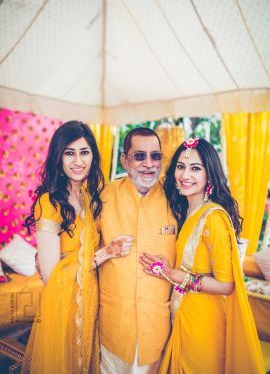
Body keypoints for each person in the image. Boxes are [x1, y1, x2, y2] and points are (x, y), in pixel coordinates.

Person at [140, 137, 264, 374]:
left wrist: (174, 275)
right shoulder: (186, 210)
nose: (185, 175)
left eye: (196, 168)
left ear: (210, 174)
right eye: (181, 166)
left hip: (202, 322)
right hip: (182, 314)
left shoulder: (214, 218)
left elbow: (226, 285)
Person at [22, 121, 133, 374]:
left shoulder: (86, 195)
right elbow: (52, 275)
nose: (78, 161)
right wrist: (107, 253)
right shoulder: (49, 202)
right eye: (69, 153)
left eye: (84, 152)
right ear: (58, 157)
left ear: (93, 155)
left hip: (89, 297)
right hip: (63, 303)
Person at [98, 127, 177, 373]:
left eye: (155, 156)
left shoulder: (176, 199)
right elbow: (81, 244)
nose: (149, 164)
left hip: (156, 330)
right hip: (113, 328)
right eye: (139, 156)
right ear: (125, 160)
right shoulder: (103, 196)